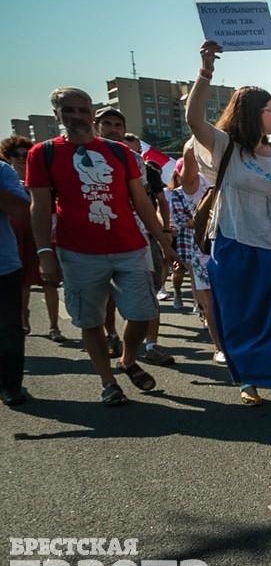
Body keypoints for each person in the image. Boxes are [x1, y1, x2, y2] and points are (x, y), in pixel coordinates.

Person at [186, 40, 271, 411]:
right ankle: (248, 381)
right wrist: (205, 72)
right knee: (242, 316)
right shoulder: (225, 146)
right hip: (235, 244)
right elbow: (194, 120)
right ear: (253, 113)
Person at [26, 87, 178, 406]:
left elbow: (141, 201)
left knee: (143, 312)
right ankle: (108, 382)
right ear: (57, 114)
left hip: (129, 247)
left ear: (90, 113)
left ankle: (127, 359)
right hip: (78, 252)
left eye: (82, 110)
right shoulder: (43, 153)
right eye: (68, 110)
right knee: (90, 321)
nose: (76, 116)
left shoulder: (119, 152)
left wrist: (164, 242)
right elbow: (40, 207)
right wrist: (44, 253)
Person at [94, 112, 175, 368]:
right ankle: (112, 337)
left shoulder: (142, 165)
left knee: (149, 294)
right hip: (100, 239)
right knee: (107, 296)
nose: (113, 129)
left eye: (118, 124)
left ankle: (151, 346)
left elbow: (152, 202)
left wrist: (163, 234)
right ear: (96, 127)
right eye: (107, 124)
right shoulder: (87, 159)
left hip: (140, 237)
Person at [0, 135, 64, 342]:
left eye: (25, 154)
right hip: (15, 232)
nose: (21, 158)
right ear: (8, 156)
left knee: (50, 281)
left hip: (42, 231)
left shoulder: (42, 176)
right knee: (23, 282)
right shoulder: (6, 176)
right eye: (15, 154)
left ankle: (54, 327)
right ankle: (23, 318)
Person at [168, 142, 225, 363]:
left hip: (230, 247)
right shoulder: (187, 190)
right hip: (202, 252)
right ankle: (219, 348)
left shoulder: (222, 177)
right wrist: (197, 137)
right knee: (210, 303)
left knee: (231, 301)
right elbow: (186, 222)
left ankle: (238, 344)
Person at [0, 158, 30, 405]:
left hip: (3, 267)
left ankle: (10, 386)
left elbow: (22, 210)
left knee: (8, 330)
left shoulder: (2, 170)